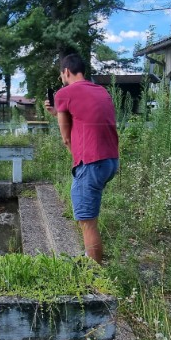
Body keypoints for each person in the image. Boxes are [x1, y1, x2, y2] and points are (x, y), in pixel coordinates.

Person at [44, 53, 119, 264]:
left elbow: (66, 138)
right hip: (110, 160)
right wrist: (57, 113)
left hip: (91, 163)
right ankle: (89, 256)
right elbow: (83, 118)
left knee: (87, 222)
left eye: (62, 75)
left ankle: (95, 274)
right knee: (88, 217)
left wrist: (78, 162)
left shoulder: (65, 92)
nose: (62, 80)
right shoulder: (100, 90)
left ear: (66, 72)